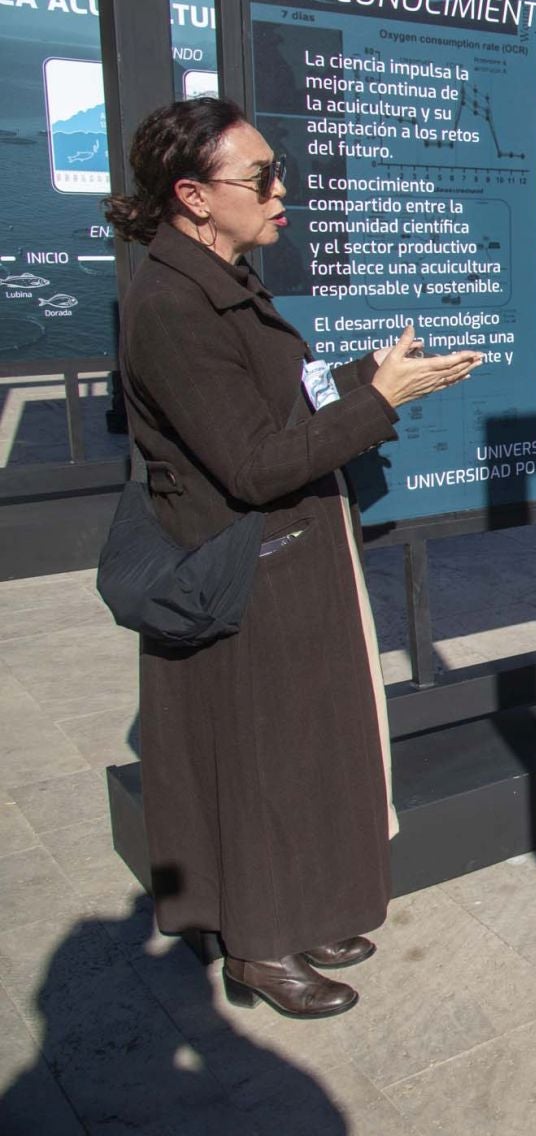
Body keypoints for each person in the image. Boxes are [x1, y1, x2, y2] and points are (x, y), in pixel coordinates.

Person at [106, 98, 482, 1018]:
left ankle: (306, 907)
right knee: (264, 763)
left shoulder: (222, 278)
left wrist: (368, 380)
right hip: (246, 569)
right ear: (194, 197)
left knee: (309, 752)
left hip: (292, 557)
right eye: (262, 178)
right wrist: (376, 402)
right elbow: (251, 462)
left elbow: (281, 407)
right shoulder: (170, 304)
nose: (284, 191)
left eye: (278, 172)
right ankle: (260, 946)